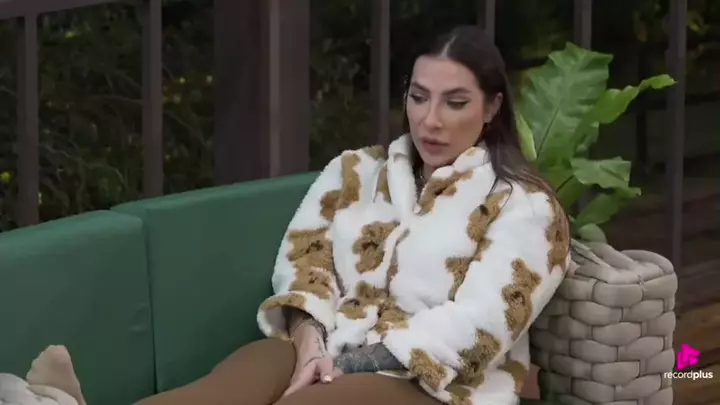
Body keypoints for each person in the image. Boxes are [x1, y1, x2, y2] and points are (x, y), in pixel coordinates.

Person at [8, 25, 570, 405]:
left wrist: (349, 366)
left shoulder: (524, 206)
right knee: (220, 391)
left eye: (455, 102)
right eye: (419, 97)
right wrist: (310, 342)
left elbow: (480, 326)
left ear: (492, 107)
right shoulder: (356, 172)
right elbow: (306, 261)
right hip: (329, 347)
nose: (431, 120)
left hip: (437, 385)